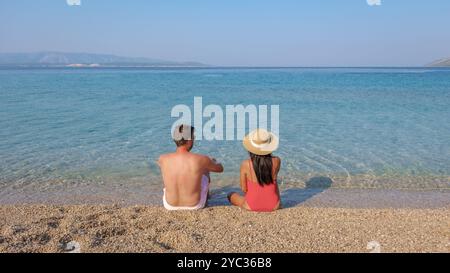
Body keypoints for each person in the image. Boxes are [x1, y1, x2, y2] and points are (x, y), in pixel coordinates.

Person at [158, 124, 223, 210]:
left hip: (169, 205)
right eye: (193, 137)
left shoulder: (162, 159)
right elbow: (220, 169)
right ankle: (207, 198)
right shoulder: (201, 159)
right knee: (205, 170)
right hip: (195, 205)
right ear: (189, 140)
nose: (194, 139)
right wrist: (213, 161)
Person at [227, 128, 281, 212]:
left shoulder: (246, 164)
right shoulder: (277, 161)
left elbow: (244, 188)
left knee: (230, 195)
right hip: (275, 205)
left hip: (251, 205)